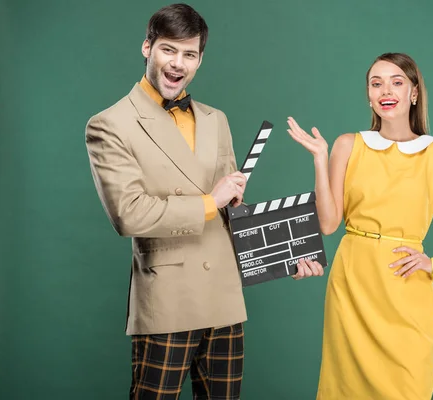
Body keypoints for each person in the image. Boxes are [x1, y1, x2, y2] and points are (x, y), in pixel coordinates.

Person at [85, 4, 322, 399]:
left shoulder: (217, 120)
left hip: (225, 300)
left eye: (189, 54)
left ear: (199, 59)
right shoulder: (110, 124)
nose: (178, 63)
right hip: (166, 301)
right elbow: (129, 214)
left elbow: (233, 213)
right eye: (168, 50)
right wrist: (210, 201)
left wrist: (283, 256)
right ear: (147, 47)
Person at [286, 52, 433, 399]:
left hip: (406, 286)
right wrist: (319, 159)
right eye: (376, 83)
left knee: (408, 386)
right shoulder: (347, 145)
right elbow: (328, 224)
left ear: (414, 93)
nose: (386, 90)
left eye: (397, 81)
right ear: (369, 95)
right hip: (353, 283)